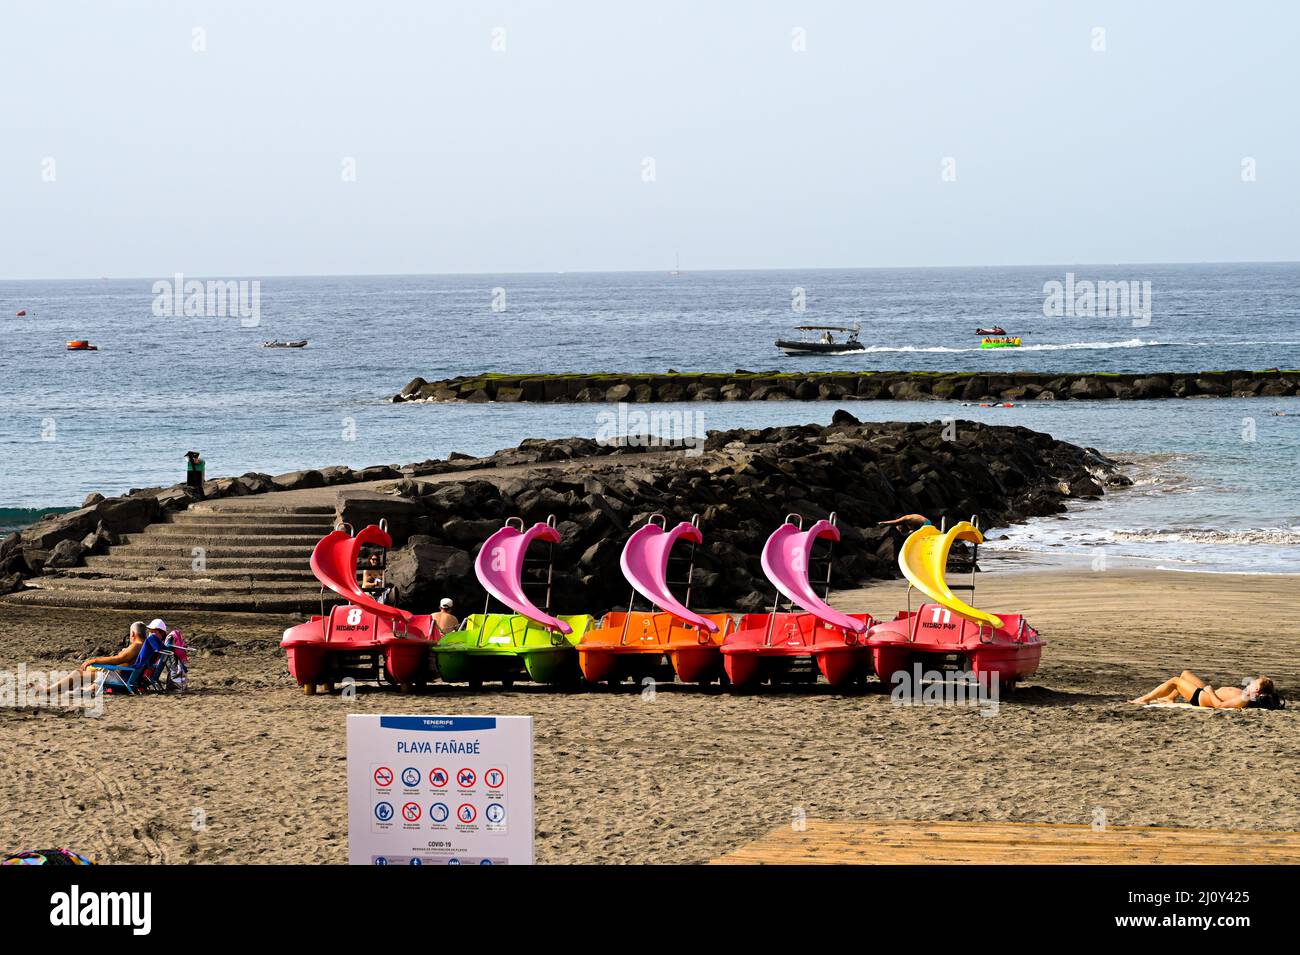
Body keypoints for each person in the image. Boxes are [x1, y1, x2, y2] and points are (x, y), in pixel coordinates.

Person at [39, 621, 149, 695]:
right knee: (81, 675)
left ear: (133, 634)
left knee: (77, 674)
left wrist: (94, 660)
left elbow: (117, 660)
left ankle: (47, 690)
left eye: (130, 634)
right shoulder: (144, 645)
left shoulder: (136, 645)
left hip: (119, 678)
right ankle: (60, 690)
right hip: (123, 676)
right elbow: (124, 659)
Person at [1128, 671, 1285, 709]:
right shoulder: (1246, 695)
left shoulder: (1244, 699)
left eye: (1253, 684)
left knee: (1176, 681)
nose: (1250, 683)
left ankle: (1145, 698)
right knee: (1185, 673)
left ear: (1257, 691)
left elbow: (1219, 706)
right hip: (1207, 692)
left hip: (1201, 698)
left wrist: (1210, 692)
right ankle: (1170, 698)